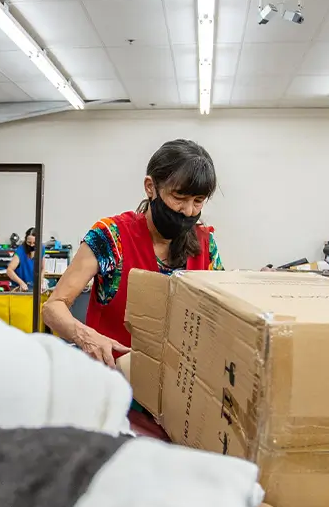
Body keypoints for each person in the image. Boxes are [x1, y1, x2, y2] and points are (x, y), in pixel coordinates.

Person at [43, 139, 222, 369]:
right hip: (114, 384)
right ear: (150, 187)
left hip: (177, 390)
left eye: (198, 202)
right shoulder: (110, 237)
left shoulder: (206, 244)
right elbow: (53, 307)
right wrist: (87, 337)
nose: (188, 211)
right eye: (179, 198)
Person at [6, 228, 40, 292]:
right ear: (25, 240)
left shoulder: (41, 248)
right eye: (29, 242)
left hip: (34, 286)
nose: (32, 245)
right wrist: (21, 283)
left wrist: (41, 282)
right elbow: (9, 270)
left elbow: (43, 268)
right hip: (20, 287)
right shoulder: (21, 251)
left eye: (34, 243)